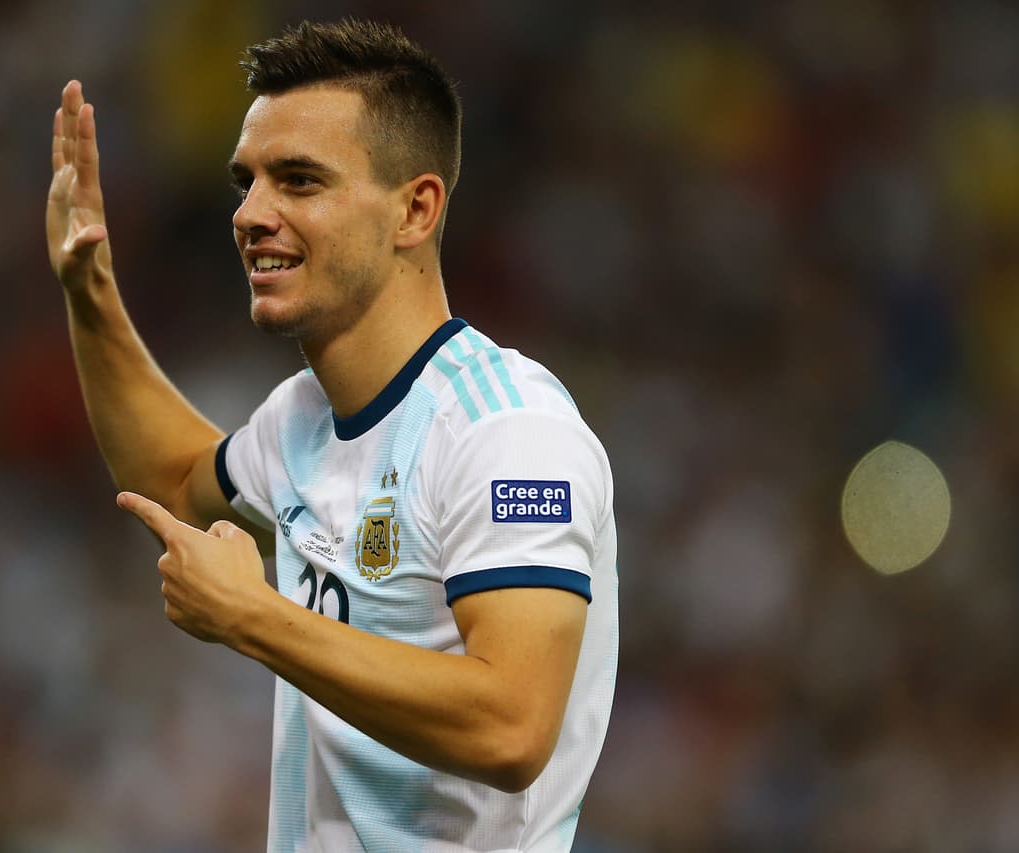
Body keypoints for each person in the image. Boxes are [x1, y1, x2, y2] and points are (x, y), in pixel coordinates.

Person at [47, 19, 618, 853]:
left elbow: (511, 727)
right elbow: (171, 480)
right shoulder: (301, 417)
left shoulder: (507, 429)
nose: (250, 213)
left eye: (299, 180)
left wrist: (256, 618)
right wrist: (90, 287)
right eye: (245, 182)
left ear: (415, 209)